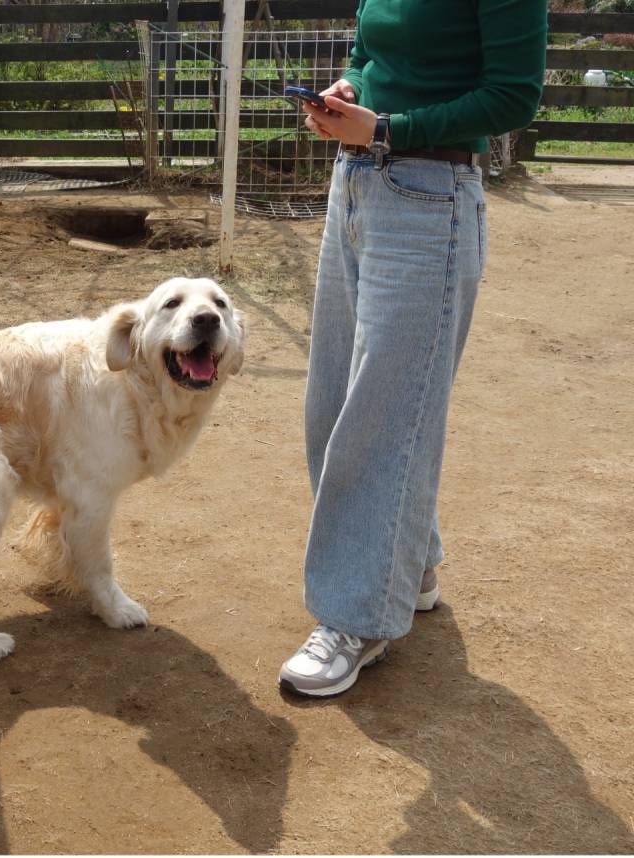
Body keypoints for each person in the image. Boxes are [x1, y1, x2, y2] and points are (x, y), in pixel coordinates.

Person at [278, 0, 547, 696]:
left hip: (429, 197)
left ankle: (358, 616)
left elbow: (514, 95)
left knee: (383, 417)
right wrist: (350, 89)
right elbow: (373, 54)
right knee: (333, 403)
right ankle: (410, 564)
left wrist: (388, 128)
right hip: (356, 187)